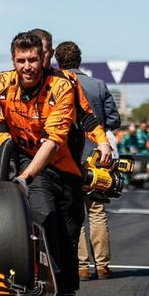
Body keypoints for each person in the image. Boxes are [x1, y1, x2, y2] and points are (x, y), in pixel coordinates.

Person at [0, 31, 112, 296]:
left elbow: (58, 138)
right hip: (32, 165)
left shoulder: (63, 85)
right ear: (13, 60)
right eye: (22, 60)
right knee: (47, 224)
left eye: (33, 59)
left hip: (64, 165)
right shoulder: (0, 84)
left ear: (44, 58)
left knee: (69, 236)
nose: (28, 66)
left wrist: (103, 142)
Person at [55, 41, 121, 281]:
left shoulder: (54, 83)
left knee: (74, 214)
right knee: (96, 211)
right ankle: (102, 265)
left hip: (66, 156)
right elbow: (114, 120)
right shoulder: (98, 85)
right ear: (80, 60)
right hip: (97, 154)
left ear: (57, 62)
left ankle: (81, 266)